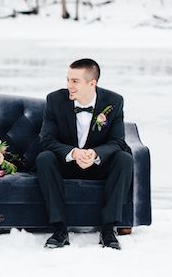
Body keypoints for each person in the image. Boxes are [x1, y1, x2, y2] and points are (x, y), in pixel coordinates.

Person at [36, 58, 133, 250]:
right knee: (44, 158)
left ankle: (108, 229)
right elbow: (46, 140)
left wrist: (95, 154)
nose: (68, 85)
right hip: (66, 163)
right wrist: (73, 152)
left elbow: (118, 141)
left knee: (125, 158)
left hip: (97, 165)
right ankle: (60, 229)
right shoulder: (55, 100)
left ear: (92, 83)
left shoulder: (114, 102)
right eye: (68, 80)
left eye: (74, 81)